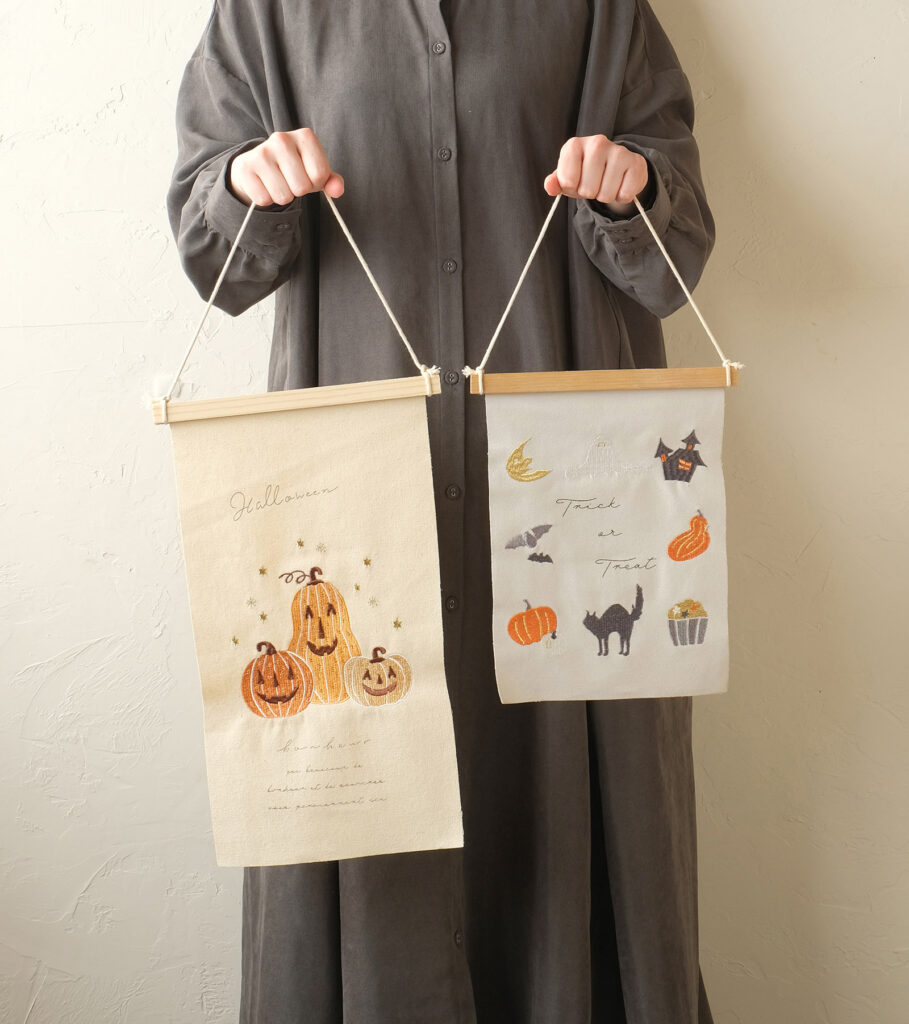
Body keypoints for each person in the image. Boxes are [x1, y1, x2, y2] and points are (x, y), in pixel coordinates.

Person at [166, 1, 717, 1021]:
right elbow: (217, 262)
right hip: (352, 508)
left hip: (570, 504)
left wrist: (629, 185)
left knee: (572, 790)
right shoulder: (269, 14)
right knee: (364, 786)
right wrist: (247, 182)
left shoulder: (595, 10)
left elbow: (675, 254)